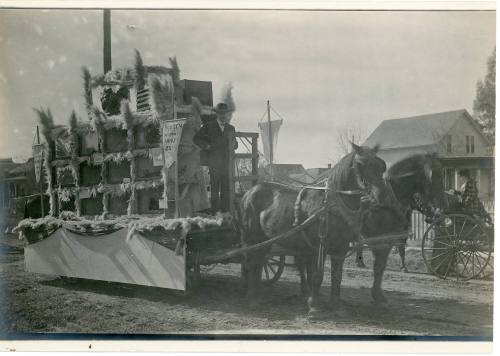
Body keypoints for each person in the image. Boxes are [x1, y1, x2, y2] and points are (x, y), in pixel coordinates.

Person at [193, 102, 238, 213]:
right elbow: (196, 138)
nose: (222, 116)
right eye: (220, 113)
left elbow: (235, 144)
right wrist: (206, 146)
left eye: (224, 113)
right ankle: (214, 212)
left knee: (226, 188)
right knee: (215, 188)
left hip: (227, 163)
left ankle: (225, 212)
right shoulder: (208, 126)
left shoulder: (231, 128)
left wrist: (234, 145)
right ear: (216, 114)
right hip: (214, 162)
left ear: (227, 114)